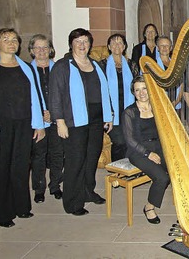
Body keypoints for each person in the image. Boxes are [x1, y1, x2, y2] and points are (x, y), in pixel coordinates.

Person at [49, 28, 113, 216]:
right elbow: (55, 96)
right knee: (75, 161)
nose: (82, 45)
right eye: (78, 42)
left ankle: (87, 191)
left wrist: (108, 116)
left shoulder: (94, 64)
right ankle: (72, 201)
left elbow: (104, 91)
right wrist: (59, 121)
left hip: (95, 118)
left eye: (85, 41)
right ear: (71, 44)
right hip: (74, 120)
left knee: (91, 158)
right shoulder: (62, 66)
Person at [0, 28, 46, 228]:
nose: (11, 43)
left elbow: (35, 96)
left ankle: (22, 207)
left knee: (21, 165)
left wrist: (39, 125)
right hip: (1, 123)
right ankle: (3, 213)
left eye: (14, 39)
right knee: (2, 167)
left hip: (23, 122)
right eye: (6, 39)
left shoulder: (25, 67)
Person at [122, 76, 172, 224]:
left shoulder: (157, 107)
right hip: (139, 152)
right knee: (163, 178)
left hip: (158, 147)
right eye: (137, 90)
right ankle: (149, 207)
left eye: (144, 88)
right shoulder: (129, 112)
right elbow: (130, 140)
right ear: (133, 93)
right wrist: (148, 154)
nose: (142, 93)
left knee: (178, 168)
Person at [27, 34, 64, 204]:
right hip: (37, 120)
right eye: (38, 48)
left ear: (51, 50)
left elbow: (65, 94)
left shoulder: (59, 68)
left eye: (45, 47)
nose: (42, 51)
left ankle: (55, 185)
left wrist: (55, 113)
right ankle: (39, 188)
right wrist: (41, 113)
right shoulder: (26, 70)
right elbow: (25, 96)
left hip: (57, 119)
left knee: (57, 154)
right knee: (38, 155)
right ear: (32, 51)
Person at [99, 34, 138, 162]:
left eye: (120, 42)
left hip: (129, 110)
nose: (117, 45)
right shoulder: (102, 65)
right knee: (120, 141)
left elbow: (138, 86)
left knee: (131, 141)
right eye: (113, 43)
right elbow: (99, 89)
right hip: (110, 112)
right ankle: (117, 171)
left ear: (124, 46)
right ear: (109, 47)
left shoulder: (132, 65)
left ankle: (129, 171)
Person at [155, 36, 183, 112]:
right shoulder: (153, 64)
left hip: (175, 103)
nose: (164, 48)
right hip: (159, 103)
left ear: (171, 48)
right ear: (157, 48)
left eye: (167, 45)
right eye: (162, 45)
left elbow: (182, 85)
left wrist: (175, 102)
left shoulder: (176, 65)